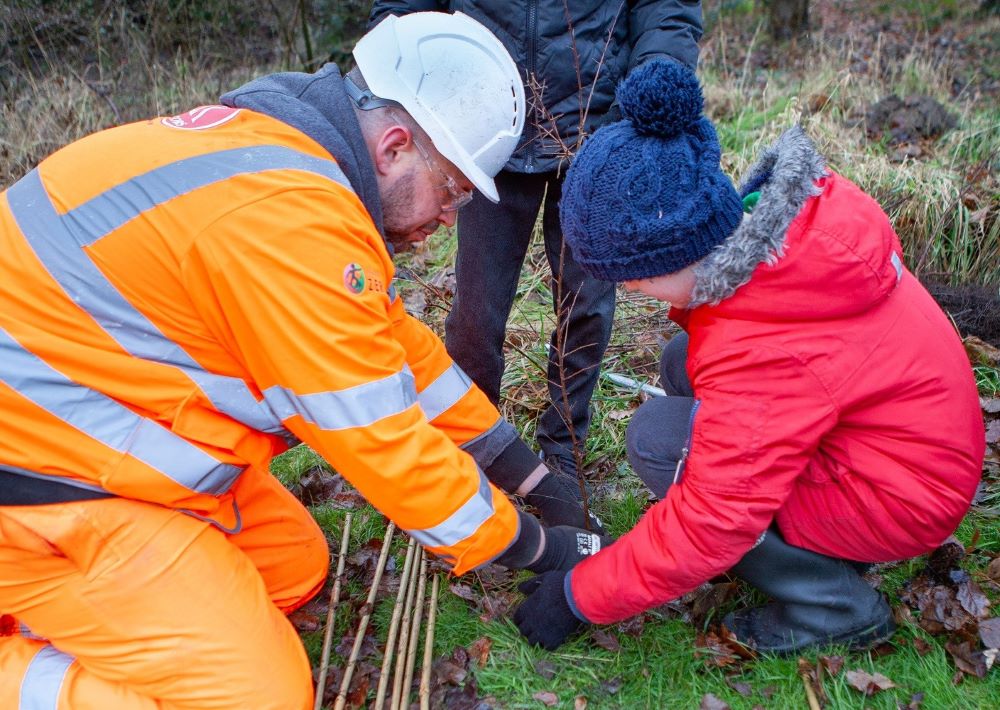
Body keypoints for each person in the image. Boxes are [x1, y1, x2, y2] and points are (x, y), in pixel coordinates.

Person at [0, 13, 607, 709]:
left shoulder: (288, 162)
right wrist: (534, 547)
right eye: (452, 190)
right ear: (396, 146)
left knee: (293, 568)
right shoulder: (291, 219)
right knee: (258, 696)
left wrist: (525, 473)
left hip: (92, 436)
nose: (449, 218)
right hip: (42, 485)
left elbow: (394, 347)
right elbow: (382, 442)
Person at [513, 59, 986, 654]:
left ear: (678, 252)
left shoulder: (765, 348)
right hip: (911, 454)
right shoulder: (786, 240)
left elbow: (713, 522)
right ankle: (816, 543)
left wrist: (581, 595)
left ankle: (836, 607)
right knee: (685, 358)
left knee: (659, 442)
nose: (630, 294)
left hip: (900, 498)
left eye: (635, 282)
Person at [368, 1, 704, 483]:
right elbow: (403, 10)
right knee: (476, 310)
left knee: (586, 302)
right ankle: (474, 446)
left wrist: (653, 90)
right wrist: (400, 72)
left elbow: (665, 9)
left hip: (596, 127)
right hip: (477, 127)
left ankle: (563, 449)